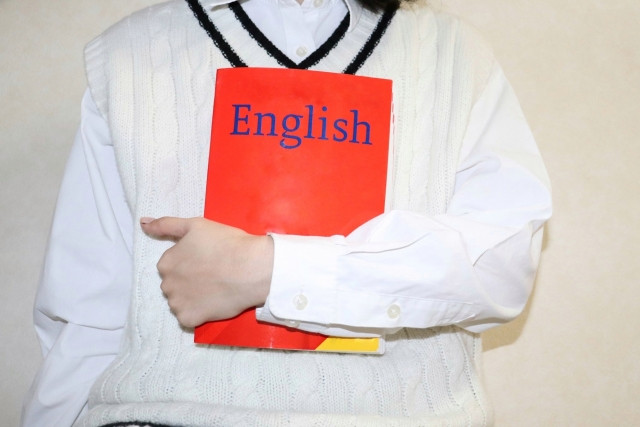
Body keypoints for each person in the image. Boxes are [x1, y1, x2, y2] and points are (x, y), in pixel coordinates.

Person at [23, 0, 552, 425]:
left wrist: (268, 271)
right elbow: (86, 318)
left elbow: (500, 268)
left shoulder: (457, 56)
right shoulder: (128, 55)